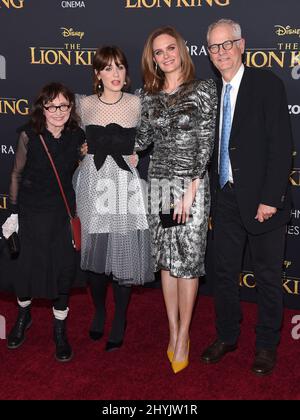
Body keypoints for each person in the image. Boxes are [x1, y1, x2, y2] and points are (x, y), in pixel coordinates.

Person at [200, 19, 293, 376]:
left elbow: (282, 145)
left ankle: (267, 345)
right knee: (224, 273)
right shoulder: (210, 91)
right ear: (207, 52)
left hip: (262, 203)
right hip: (224, 197)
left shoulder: (266, 84)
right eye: (214, 47)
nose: (221, 52)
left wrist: (271, 198)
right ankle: (227, 335)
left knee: (268, 277)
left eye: (227, 44)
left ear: (242, 45)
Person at [135, 26, 217, 373]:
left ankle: (184, 335)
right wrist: (97, 146)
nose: (165, 55)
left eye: (171, 48)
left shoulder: (202, 90)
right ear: (152, 59)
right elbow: (139, 140)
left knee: (188, 264)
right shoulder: (149, 96)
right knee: (167, 263)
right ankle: (172, 330)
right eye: (158, 52)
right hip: (159, 185)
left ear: (182, 50)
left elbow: (206, 142)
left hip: (190, 186)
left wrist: (191, 190)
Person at [73, 46, 153, 352]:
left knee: (123, 252)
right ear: (97, 74)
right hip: (92, 183)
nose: (115, 74)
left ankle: (120, 317)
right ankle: (100, 310)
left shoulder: (137, 103)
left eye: (120, 67)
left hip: (124, 184)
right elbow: (71, 138)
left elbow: (151, 136)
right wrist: (82, 148)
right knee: (94, 255)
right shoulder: (84, 105)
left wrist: (138, 152)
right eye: (108, 68)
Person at [0, 82, 85, 362]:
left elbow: (84, 170)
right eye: (51, 106)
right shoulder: (29, 134)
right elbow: (16, 174)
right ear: (43, 108)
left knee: (62, 272)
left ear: (71, 108)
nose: (58, 111)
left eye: (64, 105)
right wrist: (13, 212)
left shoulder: (77, 137)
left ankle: (60, 331)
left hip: (62, 213)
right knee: (26, 272)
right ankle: (23, 317)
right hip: (31, 213)